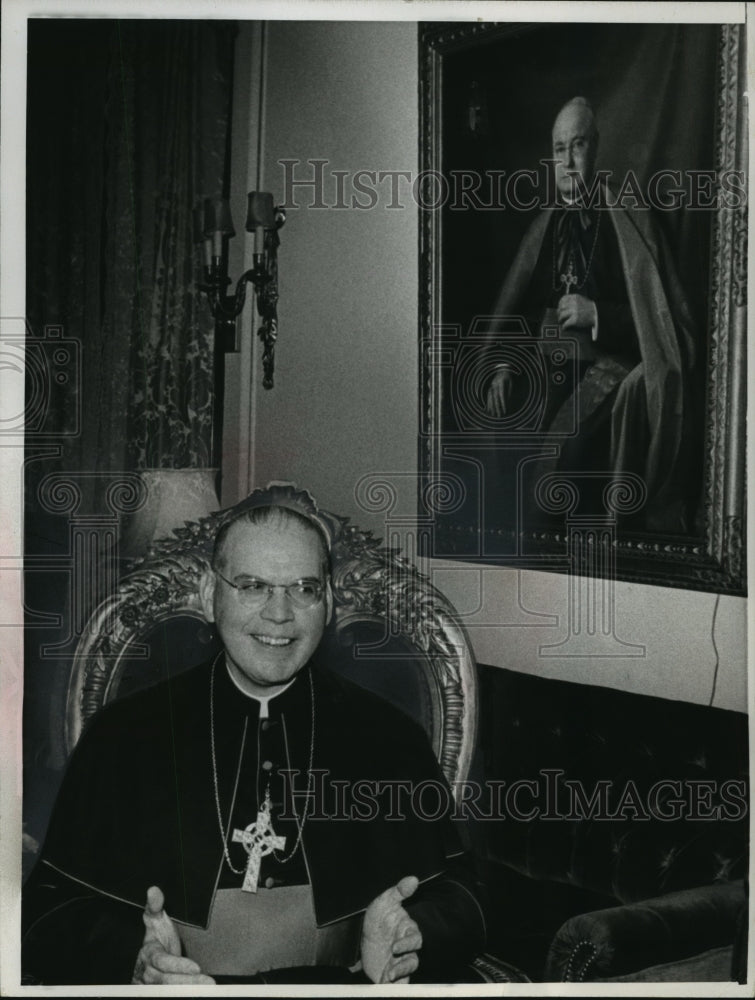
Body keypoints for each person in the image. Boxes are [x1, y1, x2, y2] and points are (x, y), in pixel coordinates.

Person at [21, 486, 486, 986]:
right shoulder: (123, 733)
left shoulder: (387, 735)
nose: (279, 614)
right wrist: (131, 957)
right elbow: (46, 912)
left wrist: (410, 936)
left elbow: (464, 895)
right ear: (208, 595)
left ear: (327, 603)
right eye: (252, 585)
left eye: (303, 588)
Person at [484, 97, 697, 531]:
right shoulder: (547, 225)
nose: (567, 161)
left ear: (595, 148)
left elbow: (655, 320)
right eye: (559, 149)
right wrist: (505, 364)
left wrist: (595, 312)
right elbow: (524, 307)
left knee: (560, 456)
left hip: (607, 365)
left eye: (577, 146)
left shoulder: (627, 217)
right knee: (495, 439)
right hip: (545, 368)